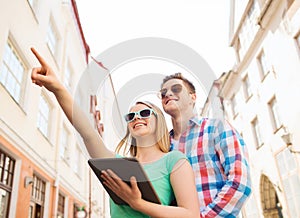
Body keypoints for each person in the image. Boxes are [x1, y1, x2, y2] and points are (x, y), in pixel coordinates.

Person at [30, 48, 199, 218]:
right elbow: (87, 132)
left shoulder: (174, 161)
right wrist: (57, 88)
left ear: (159, 120)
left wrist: (138, 204)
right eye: (131, 116)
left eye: (145, 113)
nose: (137, 118)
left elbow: (191, 214)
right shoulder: (117, 165)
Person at [159, 73, 252, 217]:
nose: (168, 94)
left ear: (193, 97)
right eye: (163, 93)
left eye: (176, 89)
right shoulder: (164, 147)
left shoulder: (216, 128)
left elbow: (240, 182)